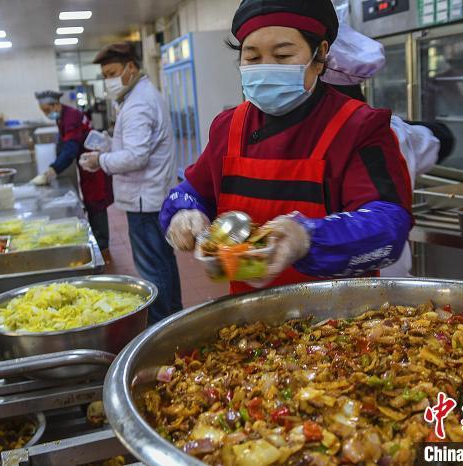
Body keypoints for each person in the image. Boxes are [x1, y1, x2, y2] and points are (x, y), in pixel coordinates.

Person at [160, 0, 413, 295]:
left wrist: (308, 238)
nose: (266, 68)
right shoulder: (230, 127)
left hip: (339, 318)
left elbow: (388, 221)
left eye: (282, 55)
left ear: (320, 55)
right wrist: (184, 210)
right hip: (248, 315)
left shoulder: (357, 126)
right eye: (252, 58)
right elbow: (193, 189)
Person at [321, 13, 454, 276]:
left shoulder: (376, 130)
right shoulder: (395, 130)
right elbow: (444, 138)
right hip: (394, 289)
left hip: (372, 295)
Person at [81, 42, 181, 324]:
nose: (108, 81)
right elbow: (135, 147)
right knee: (163, 261)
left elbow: (136, 157)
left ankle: (162, 325)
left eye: (112, 73)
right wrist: (109, 147)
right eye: (104, 76)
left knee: (152, 267)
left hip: (144, 199)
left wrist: (99, 162)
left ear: (131, 68)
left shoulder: (138, 103)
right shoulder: (139, 95)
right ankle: (173, 318)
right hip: (151, 194)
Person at [33, 90, 113, 255]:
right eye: (44, 112)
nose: (47, 114)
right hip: (85, 163)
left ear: (56, 104)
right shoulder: (63, 116)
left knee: (96, 201)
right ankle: (97, 239)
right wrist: (54, 164)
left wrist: (53, 170)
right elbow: (64, 143)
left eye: (48, 110)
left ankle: (102, 244)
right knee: (90, 202)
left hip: (93, 164)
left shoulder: (71, 116)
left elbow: (70, 147)